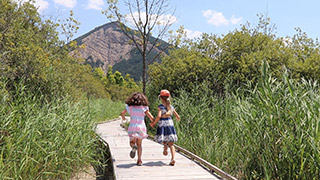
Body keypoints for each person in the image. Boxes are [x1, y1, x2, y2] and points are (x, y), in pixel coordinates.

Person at [121, 92, 154, 166]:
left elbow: (122, 113)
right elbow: (151, 117)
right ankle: (139, 160)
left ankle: (133, 147)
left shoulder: (130, 107)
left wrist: (123, 118)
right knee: (139, 144)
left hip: (132, 126)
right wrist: (152, 122)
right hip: (141, 127)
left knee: (131, 142)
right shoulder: (144, 107)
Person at [149, 89, 180, 166]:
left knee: (163, 137)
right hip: (170, 124)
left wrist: (153, 123)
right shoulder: (171, 107)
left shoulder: (160, 107)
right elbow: (177, 116)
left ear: (161, 98)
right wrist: (176, 118)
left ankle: (165, 147)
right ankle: (173, 159)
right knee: (171, 143)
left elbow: (159, 116)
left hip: (162, 124)